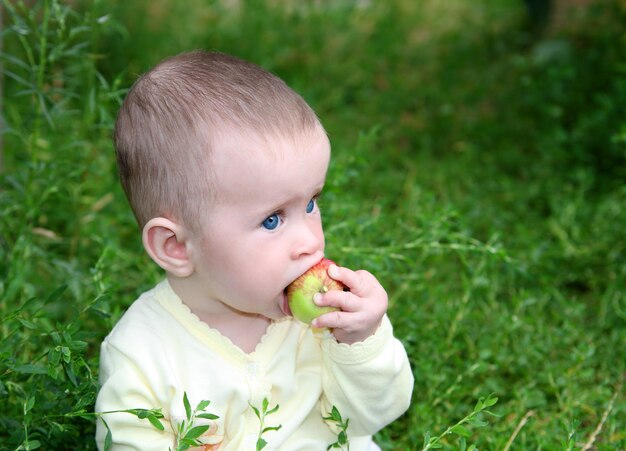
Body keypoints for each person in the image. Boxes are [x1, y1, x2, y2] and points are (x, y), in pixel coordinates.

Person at [95, 50, 414, 450]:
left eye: (311, 203)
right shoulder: (142, 357)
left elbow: (373, 415)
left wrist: (361, 342)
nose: (311, 242)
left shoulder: (318, 326)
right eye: (272, 220)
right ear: (176, 246)